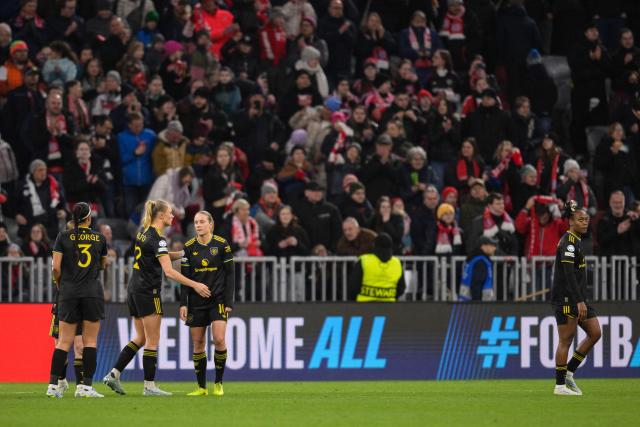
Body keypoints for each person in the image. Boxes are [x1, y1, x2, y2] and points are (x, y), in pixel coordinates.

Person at [103, 200, 211, 396]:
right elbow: (168, 272)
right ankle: (149, 386)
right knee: (153, 339)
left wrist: (181, 253)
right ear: (160, 215)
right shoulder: (158, 239)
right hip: (148, 292)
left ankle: (114, 374)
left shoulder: (144, 232)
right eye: (170, 213)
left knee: (140, 337)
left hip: (134, 290)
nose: (172, 216)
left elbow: (158, 255)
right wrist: (195, 284)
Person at [46, 203, 108, 398]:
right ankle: (85, 387)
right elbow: (102, 265)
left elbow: (56, 268)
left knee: (63, 342)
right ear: (89, 218)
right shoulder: (99, 238)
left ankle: (53, 386)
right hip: (91, 292)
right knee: (89, 342)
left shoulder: (63, 237)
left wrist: (60, 284)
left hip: (68, 292)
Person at [179, 211, 235, 397]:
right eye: (195, 222)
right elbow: (185, 278)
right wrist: (183, 303)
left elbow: (230, 274)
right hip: (196, 302)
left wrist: (229, 301)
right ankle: (201, 387)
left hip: (217, 300)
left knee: (219, 339)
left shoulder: (222, 244)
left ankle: (218, 383)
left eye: (202, 221)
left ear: (211, 224)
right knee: (198, 343)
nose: (198, 225)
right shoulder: (188, 247)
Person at [551, 200, 602, 396]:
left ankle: (570, 372)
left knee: (595, 332)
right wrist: (578, 301)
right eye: (580, 219)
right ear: (571, 221)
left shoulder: (576, 241)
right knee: (566, 340)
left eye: (587, 219)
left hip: (579, 298)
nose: (585, 222)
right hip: (567, 299)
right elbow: (569, 274)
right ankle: (560, 385)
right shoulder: (569, 243)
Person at [48, 220, 84, 396]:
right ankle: (60, 381)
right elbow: (55, 271)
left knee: (79, 346)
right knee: (60, 344)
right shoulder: (60, 254)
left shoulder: (84, 256)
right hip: (62, 302)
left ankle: (80, 386)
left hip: (77, 302)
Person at [347, 232, 406, 302]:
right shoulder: (396, 263)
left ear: (374, 245)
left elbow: (353, 286)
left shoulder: (364, 260)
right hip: (389, 306)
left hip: (364, 306)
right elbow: (401, 288)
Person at [459, 235, 497, 301]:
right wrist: (477, 305)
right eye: (491, 245)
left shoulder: (473, 259)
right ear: (483, 246)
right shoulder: (481, 262)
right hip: (476, 307)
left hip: (465, 304)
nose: (494, 248)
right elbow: (476, 285)